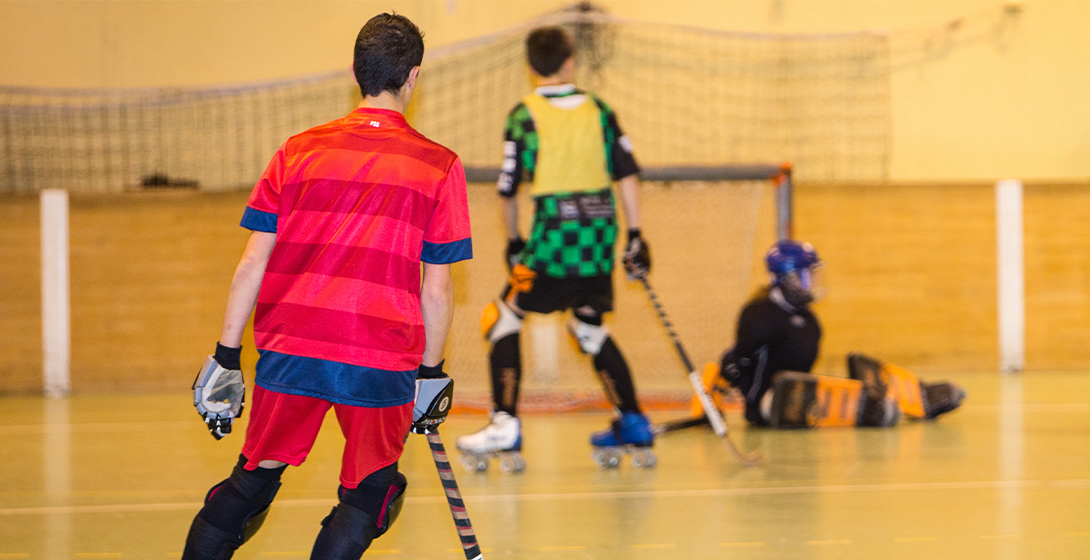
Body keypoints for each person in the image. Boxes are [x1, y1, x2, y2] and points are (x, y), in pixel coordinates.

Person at [182, 13, 472, 560]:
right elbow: (437, 289)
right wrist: (430, 375)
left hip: (291, 347)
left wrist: (225, 355)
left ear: (354, 72)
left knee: (252, 480)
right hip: (380, 355)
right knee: (371, 494)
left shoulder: (297, 151)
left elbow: (252, 263)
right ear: (413, 77)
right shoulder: (440, 166)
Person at [455, 26, 655, 471]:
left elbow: (507, 190)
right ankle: (634, 420)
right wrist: (636, 235)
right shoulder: (600, 110)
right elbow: (626, 172)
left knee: (501, 317)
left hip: (551, 244)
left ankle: (504, 423)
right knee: (588, 328)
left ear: (530, 68)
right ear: (570, 62)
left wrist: (513, 242)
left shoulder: (524, 115)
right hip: (599, 240)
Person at [705, 239, 964, 428]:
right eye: (810, 275)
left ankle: (917, 396)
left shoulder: (808, 319)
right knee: (796, 395)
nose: (815, 281)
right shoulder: (759, 313)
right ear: (790, 277)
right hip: (767, 403)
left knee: (857, 364)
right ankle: (867, 410)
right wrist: (717, 391)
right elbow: (737, 361)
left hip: (800, 391)